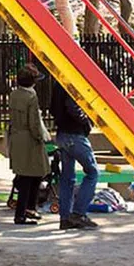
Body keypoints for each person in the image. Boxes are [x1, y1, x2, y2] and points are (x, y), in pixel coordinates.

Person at [50, 79, 100, 231]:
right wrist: (86, 122)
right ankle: (78, 213)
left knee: (67, 177)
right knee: (92, 173)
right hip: (75, 134)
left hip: (62, 134)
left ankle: (65, 218)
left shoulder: (58, 83)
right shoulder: (72, 81)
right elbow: (73, 107)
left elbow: (53, 108)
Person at [7, 65, 50, 225]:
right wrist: (40, 137)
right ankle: (23, 213)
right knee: (33, 174)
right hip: (30, 139)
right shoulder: (31, 97)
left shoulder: (14, 94)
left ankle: (29, 208)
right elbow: (34, 122)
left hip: (16, 137)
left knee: (26, 174)